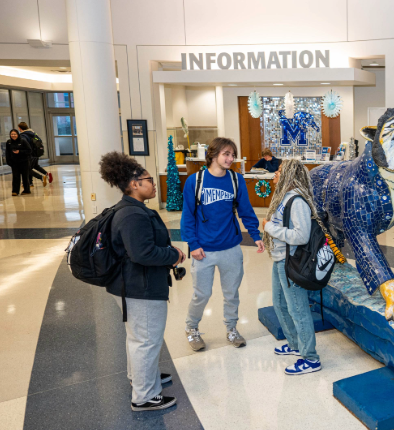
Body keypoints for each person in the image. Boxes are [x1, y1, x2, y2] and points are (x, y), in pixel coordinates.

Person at [99, 151, 186, 411]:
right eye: (148, 179)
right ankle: (145, 395)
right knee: (146, 340)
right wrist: (175, 254)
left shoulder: (131, 209)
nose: (153, 183)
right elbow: (143, 253)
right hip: (140, 287)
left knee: (138, 337)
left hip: (134, 284)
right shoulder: (133, 215)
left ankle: (141, 378)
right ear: (134, 184)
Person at [181, 137, 265, 351]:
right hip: (204, 250)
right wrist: (193, 244)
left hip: (230, 248)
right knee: (202, 294)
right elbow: (188, 217)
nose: (230, 158)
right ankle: (191, 328)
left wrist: (255, 235)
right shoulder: (195, 181)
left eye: (232, 154)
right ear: (213, 155)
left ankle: (231, 328)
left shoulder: (236, 180)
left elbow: (246, 210)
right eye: (226, 154)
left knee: (231, 293)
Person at [260, 159, 322, 375]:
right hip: (280, 259)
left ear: (289, 174)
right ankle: (295, 344)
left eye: (278, 171)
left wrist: (270, 229)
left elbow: (301, 236)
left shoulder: (297, 201)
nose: (274, 175)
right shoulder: (283, 198)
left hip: (292, 262)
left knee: (297, 309)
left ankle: (310, 358)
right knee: (279, 304)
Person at [18, 122, 51, 186]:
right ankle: (30, 182)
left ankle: (40, 177)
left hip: (29, 154)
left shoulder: (23, 135)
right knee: (33, 166)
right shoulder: (33, 133)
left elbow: (24, 145)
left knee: (27, 169)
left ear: (20, 128)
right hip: (36, 153)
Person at [5, 129, 31, 196]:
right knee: (15, 177)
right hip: (14, 162)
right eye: (12, 134)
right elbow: (7, 152)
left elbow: (29, 150)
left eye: (15, 134)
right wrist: (8, 161)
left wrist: (20, 152)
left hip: (24, 161)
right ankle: (15, 191)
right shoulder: (9, 142)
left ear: (18, 135)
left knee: (25, 176)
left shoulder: (23, 141)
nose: (13, 135)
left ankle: (26, 190)